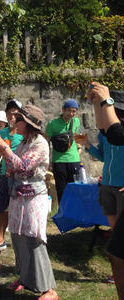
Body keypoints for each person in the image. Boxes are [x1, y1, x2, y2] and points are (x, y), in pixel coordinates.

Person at [0, 105, 58, 300]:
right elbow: (14, 164)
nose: (14, 122)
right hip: (18, 195)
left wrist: (5, 149)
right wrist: (4, 155)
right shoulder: (24, 142)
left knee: (34, 238)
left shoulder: (40, 143)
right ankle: (25, 278)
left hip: (34, 197)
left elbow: (25, 165)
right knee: (19, 237)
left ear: (28, 124)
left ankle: (48, 289)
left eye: (18, 119)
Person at [78, 103, 124, 284]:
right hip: (106, 185)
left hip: (121, 187)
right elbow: (104, 157)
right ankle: (118, 271)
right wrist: (88, 145)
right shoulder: (104, 134)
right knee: (115, 233)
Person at [87, 82, 124, 300]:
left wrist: (106, 100)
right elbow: (105, 131)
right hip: (108, 184)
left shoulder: (119, 129)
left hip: (120, 186)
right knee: (115, 250)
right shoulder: (110, 132)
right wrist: (97, 103)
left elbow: (116, 133)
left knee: (118, 251)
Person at [0, 100, 23, 250]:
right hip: (5, 174)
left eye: (15, 113)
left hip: (20, 175)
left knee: (19, 208)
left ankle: (20, 240)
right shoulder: (2, 133)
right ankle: (0, 238)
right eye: (9, 113)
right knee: (2, 206)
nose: (12, 116)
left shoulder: (24, 132)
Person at [45, 99, 81, 203]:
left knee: (76, 190)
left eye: (74, 111)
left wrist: (79, 150)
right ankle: (63, 214)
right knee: (61, 190)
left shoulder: (76, 122)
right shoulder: (52, 124)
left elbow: (78, 138)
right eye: (69, 110)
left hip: (74, 160)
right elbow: (46, 142)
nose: (71, 114)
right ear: (63, 110)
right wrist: (47, 160)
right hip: (59, 161)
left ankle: (74, 214)